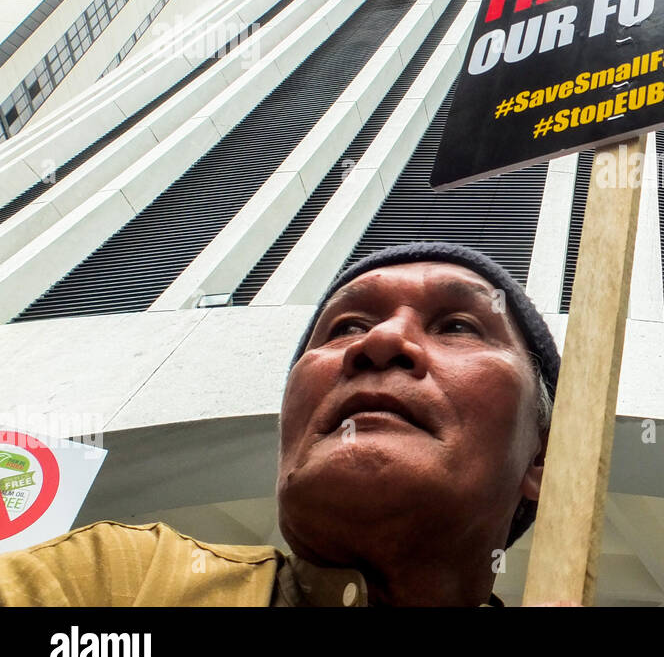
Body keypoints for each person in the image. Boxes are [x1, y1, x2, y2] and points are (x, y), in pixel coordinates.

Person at [0, 242, 559, 607]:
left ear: (540, 459)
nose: (380, 341)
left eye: (459, 326)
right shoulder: (115, 583)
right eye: (345, 326)